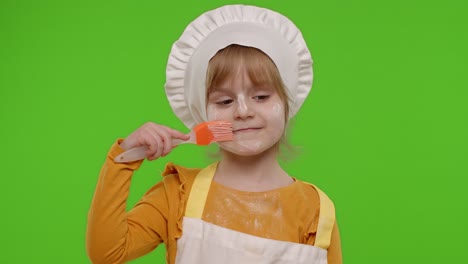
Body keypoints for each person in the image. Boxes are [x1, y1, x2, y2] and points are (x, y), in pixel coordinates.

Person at [86, 4, 342, 264]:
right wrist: (124, 159)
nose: (243, 111)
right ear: (201, 113)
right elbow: (107, 253)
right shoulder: (178, 194)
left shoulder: (316, 210)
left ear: (287, 104)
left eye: (261, 96)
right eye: (224, 102)